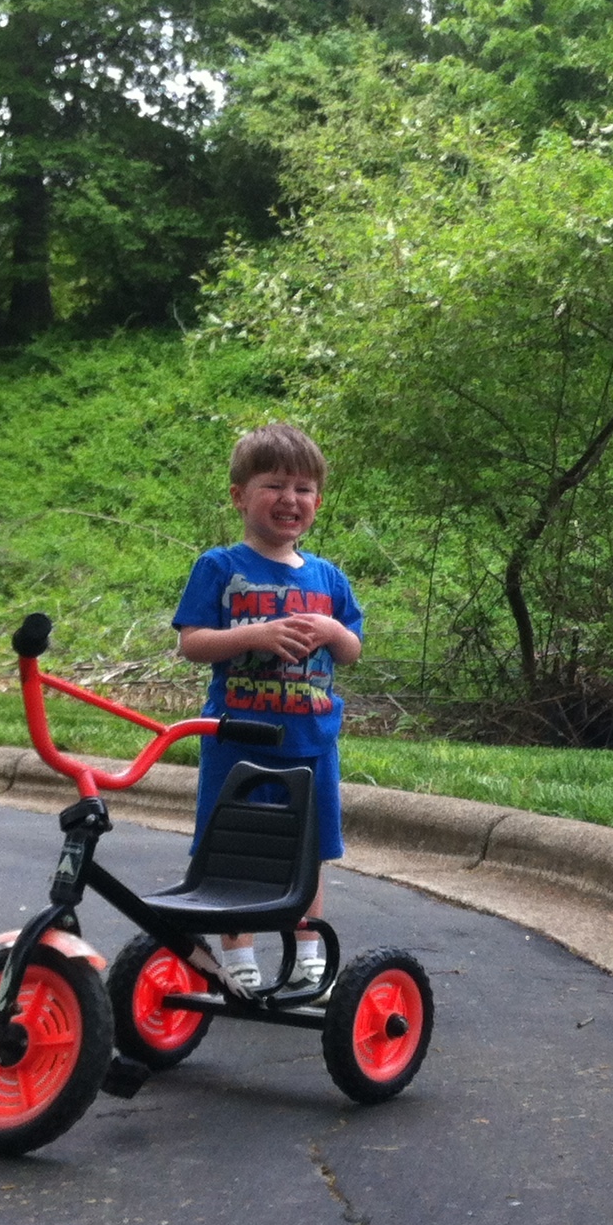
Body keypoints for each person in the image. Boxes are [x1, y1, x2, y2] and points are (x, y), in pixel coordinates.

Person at [170, 422, 364, 999]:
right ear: (239, 495)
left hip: (311, 741)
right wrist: (255, 634)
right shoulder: (220, 565)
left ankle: (309, 952)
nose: (290, 499)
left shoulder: (329, 577)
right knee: (236, 848)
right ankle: (239, 953)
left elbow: (351, 651)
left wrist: (331, 629)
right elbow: (193, 642)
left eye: (304, 489)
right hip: (238, 741)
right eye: (275, 484)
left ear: (318, 502)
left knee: (311, 847)